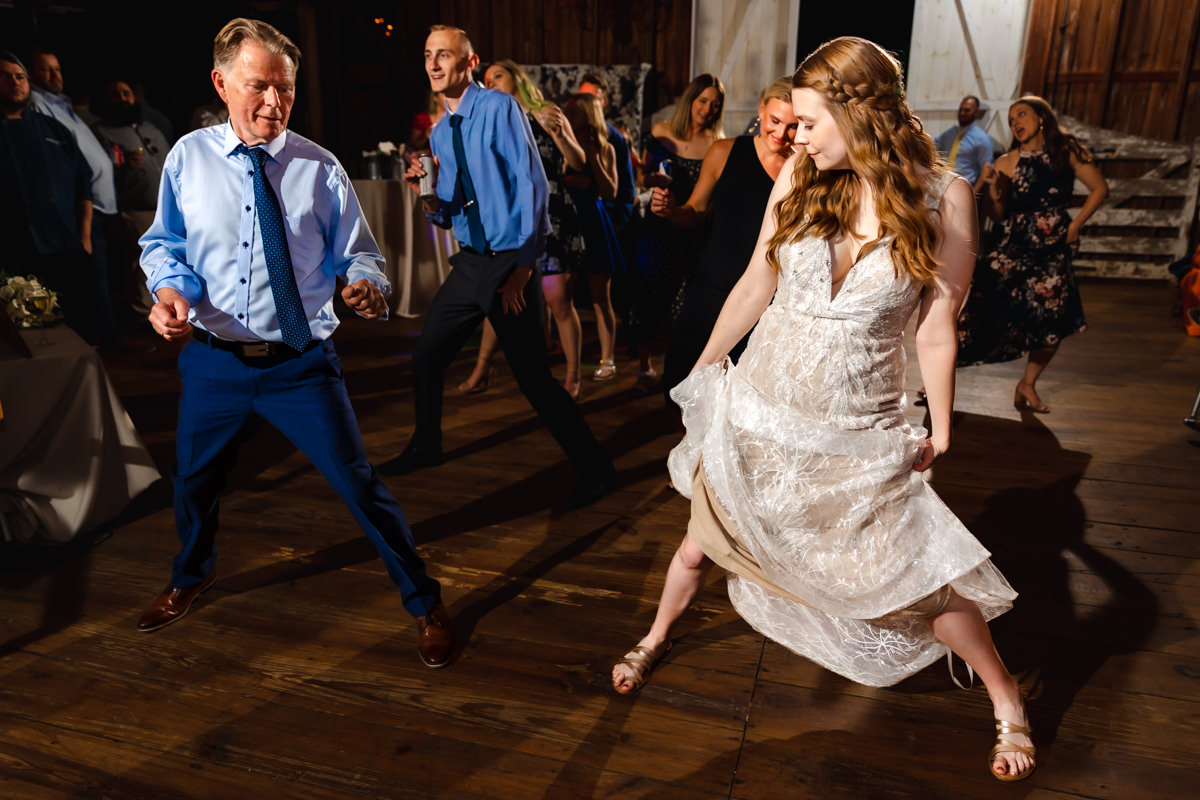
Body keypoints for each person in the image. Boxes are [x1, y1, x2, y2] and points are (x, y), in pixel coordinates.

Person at [610, 37, 1037, 783]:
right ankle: (654, 636)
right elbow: (755, 284)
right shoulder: (802, 177)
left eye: (808, 122)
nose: (794, 137)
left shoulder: (945, 197)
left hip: (856, 433)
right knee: (701, 541)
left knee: (916, 579)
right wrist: (703, 369)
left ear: (858, 112)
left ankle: (1006, 696)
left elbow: (938, 325)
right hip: (759, 413)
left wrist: (940, 427)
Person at [136, 18, 454, 669]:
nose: (274, 102)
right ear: (222, 83)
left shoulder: (320, 168)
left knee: (360, 486)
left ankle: (425, 602)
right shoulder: (188, 159)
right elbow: (165, 244)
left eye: (284, 88)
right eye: (258, 86)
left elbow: (362, 256)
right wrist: (169, 293)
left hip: (301, 366)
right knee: (192, 481)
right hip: (215, 362)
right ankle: (192, 575)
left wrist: (367, 287)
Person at [381, 25, 614, 509]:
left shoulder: (500, 107)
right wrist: (424, 194)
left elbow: (533, 184)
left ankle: (597, 470)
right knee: (426, 357)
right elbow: (446, 211)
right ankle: (427, 444)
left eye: (444, 54)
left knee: (533, 379)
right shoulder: (442, 132)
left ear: (470, 62)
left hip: (510, 262)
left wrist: (525, 266)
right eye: (428, 54)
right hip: (470, 264)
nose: (433, 63)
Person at [956, 95, 1107, 413]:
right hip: (1014, 246)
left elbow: (1100, 188)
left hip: (1053, 250)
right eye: (1011, 120)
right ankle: (941, 378)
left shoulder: (1065, 150)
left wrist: (1076, 224)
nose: (1016, 123)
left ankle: (1027, 384)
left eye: (1022, 115)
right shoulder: (1006, 161)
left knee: (1053, 321)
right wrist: (994, 189)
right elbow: (997, 215)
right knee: (980, 313)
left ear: (1041, 118)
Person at [655, 76, 798, 406]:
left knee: (742, 397)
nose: (781, 133)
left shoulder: (801, 169)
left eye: (792, 126)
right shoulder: (724, 152)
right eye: (775, 121)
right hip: (712, 288)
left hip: (767, 300)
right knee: (683, 384)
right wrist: (671, 211)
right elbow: (695, 211)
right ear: (761, 108)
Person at [457, 59, 591, 399]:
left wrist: (559, 134)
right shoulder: (491, 121)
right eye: (486, 80)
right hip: (510, 218)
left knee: (558, 299)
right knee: (499, 295)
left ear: (517, 79)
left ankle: (573, 376)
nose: (490, 83)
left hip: (551, 214)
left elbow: (578, 162)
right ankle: (483, 366)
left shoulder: (545, 112)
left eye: (498, 76)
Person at [0, 51, 118, 348]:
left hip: (63, 245)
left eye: (20, 76)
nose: (14, 82)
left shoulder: (53, 129)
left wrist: (85, 236)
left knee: (73, 326)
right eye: (5, 76)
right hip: (11, 249)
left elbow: (83, 183)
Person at [628, 73, 724, 393]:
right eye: (702, 101)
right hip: (657, 230)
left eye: (715, 104)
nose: (707, 109)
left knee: (684, 306)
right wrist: (651, 180)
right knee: (649, 296)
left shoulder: (716, 144)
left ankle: (677, 372)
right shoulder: (661, 131)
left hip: (695, 233)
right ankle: (644, 366)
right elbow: (642, 176)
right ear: (690, 99)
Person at [93, 78, 171, 318]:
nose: (123, 99)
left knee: (168, 260)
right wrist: (121, 164)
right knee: (141, 263)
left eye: (126, 93)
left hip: (164, 207)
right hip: (133, 208)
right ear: (106, 100)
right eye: (116, 94)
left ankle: (166, 308)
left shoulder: (150, 128)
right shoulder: (101, 131)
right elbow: (97, 171)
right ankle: (142, 313)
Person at [934, 95, 993, 191]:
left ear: (976, 112)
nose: (962, 113)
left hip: (964, 187)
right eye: (960, 109)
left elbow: (986, 171)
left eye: (967, 110)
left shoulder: (982, 139)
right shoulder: (950, 132)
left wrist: (974, 194)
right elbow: (932, 146)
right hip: (942, 184)